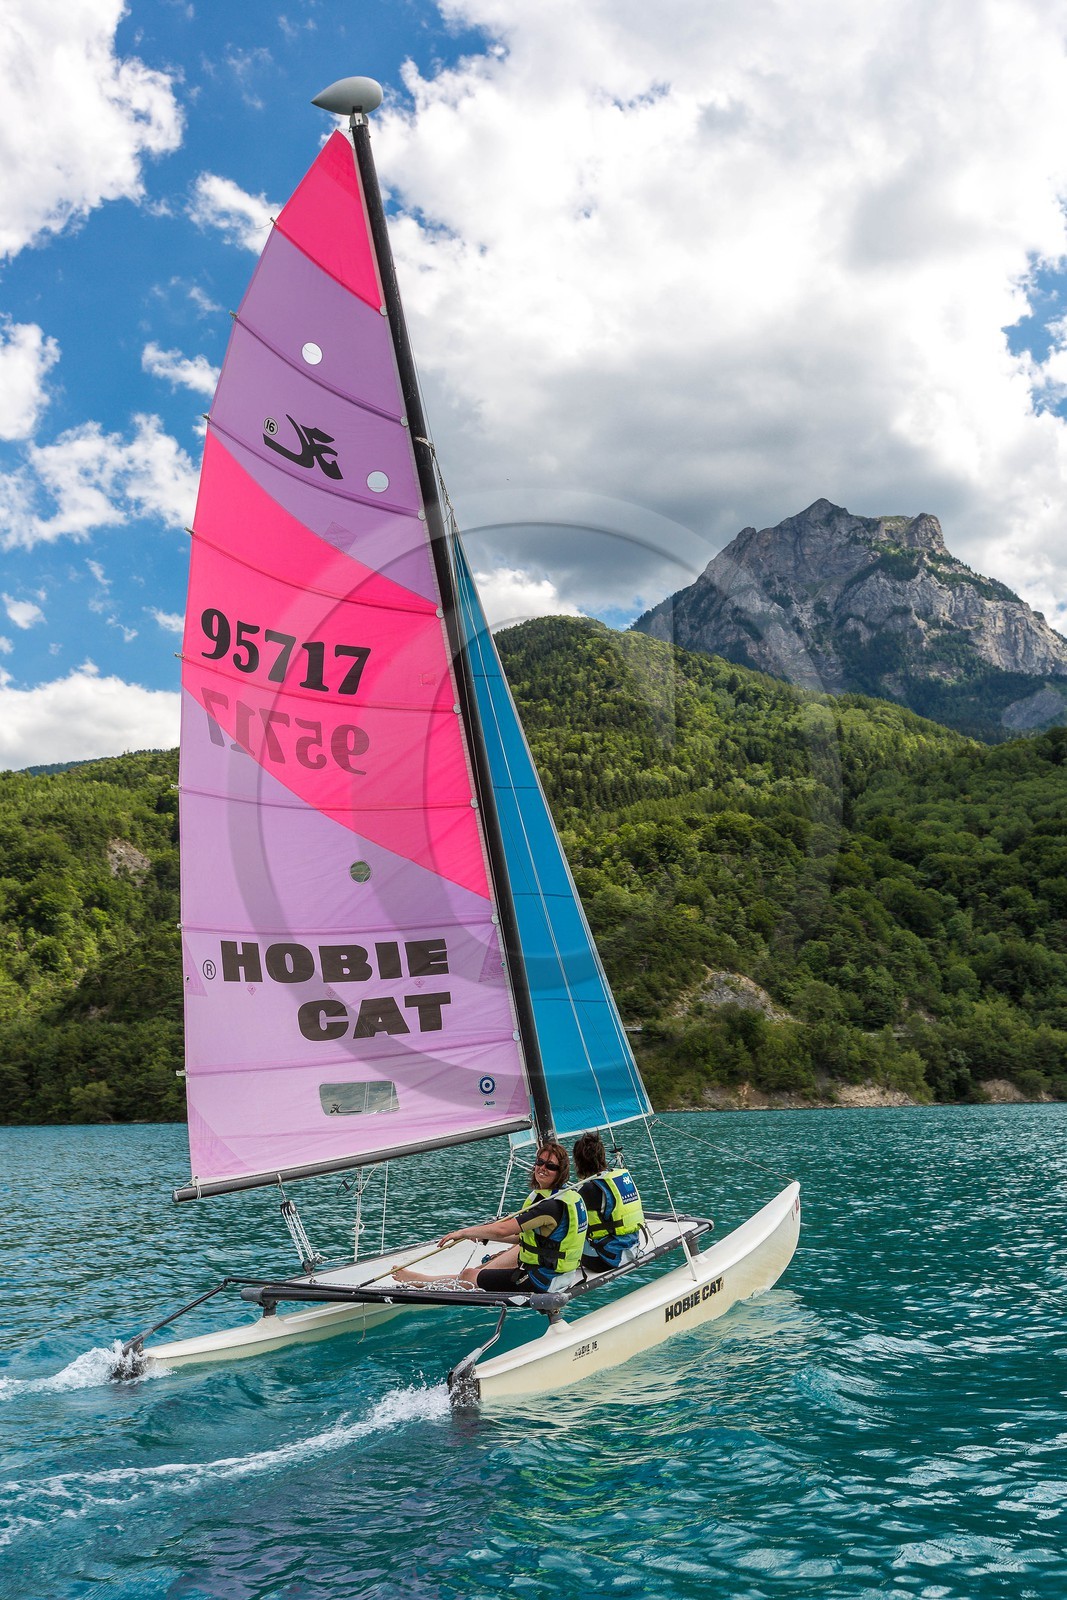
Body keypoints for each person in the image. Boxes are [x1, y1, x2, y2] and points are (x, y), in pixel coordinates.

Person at [390, 1141, 587, 1294]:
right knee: (481, 1270)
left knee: (469, 1276)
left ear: (560, 1173)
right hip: (559, 1275)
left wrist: (463, 1232)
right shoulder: (566, 1197)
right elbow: (521, 1237)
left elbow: (504, 1229)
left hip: (541, 1281)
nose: (542, 1168)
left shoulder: (549, 1206)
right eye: (540, 1162)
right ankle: (425, 1279)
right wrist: (482, 1235)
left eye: (550, 1166)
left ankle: (419, 1281)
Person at [572, 1131, 645, 1273]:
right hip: (632, 1248)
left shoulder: (589, 1190)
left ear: (578, 1162)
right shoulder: (617, 1178)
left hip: (605, 1260)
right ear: (602, 1156)